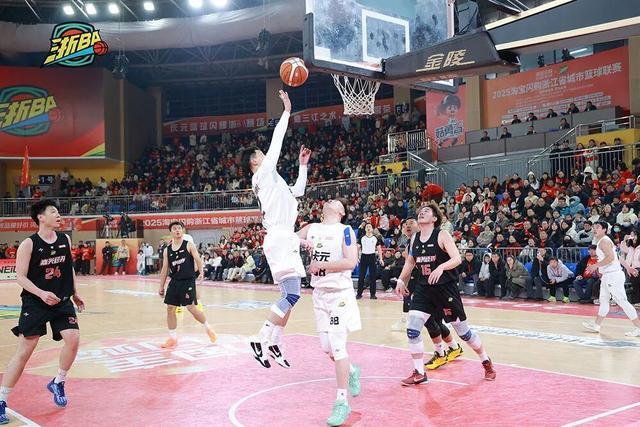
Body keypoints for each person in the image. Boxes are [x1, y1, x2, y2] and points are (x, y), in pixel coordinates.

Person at [240, 90, 311, 369]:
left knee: (290, 296)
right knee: (292, 295)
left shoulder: (274, 181)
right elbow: (277, 142)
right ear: (254, 162)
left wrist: (302, 166)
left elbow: (299, 191)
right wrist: (286, 111)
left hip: (283, 237)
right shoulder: (262, 174)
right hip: (280, 237)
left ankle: (274, 342)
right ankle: (260, 339)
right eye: (260, 154)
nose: (265, 154)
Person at [0, 200, 85, 424]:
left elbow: (68, 268)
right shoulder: (29, 244)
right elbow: (20, 277)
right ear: (41, 217)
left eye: (58, 212)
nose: (58, 215)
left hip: (61, 300)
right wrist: (40, 293)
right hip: (35, 303)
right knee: (24, 352)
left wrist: (75, 293)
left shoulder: (65, 239)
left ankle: (58, 382)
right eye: (53, 212)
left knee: (73, 338)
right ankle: (1, 400)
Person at [395, 202, 496, 385]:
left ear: (434, 218)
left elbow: (457, 258)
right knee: (412, 329)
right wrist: (402, 280)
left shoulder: (442, 235)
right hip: (424, 288)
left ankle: (485, 361)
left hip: (445, 288)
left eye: (426, 211)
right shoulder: (415, 238)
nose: (422, 213)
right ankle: (419, 372)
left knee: (464, 333)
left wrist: (441, 267)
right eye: (420, 211)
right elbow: (410, 262)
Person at [297, 199, 362, 427]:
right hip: (319, 294)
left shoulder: (345, 230)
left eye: (336, 202)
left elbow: (351, 261)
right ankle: (352, 370)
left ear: (341, 211)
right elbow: (290, 238)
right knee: (327, 347)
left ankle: (342, 402)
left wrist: (322, 266)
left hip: (339, 295)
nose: (330, 201)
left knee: (337, 346)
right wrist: (299, 241)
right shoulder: (312, 227)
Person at [157, 221, 217, 348]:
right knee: (170, 308)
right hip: (174, 281)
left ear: (182, 230)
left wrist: (201, 273)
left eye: (179, 228)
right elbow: (165, 268)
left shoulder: (189, 245)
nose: (177, 230)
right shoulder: (167, 250)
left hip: (188, 281)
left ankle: (208, 328)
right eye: (174, 228)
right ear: (171, 232)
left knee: (191, 308)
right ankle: (173, 338)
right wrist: (161, 286)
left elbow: (198, 259)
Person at [582, 221, 640, 336]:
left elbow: (610, 258)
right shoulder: (605, 241)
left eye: (597, 227)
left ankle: (638, 327)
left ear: (604, 229)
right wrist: (628, 267)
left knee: (622, 301)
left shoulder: (604, 241)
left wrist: (595, 266)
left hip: (612, 275)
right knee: (603, 300)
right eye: (594, 227)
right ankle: (596, 325)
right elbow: (617, 257)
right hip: (608, 275)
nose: (594, 229)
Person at [356, 224, 383, 300]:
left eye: (370, 227)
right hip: (364, 257)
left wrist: (381, 258)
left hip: (372, 257)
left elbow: (379, 249)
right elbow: (357, 248)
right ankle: (359, 294)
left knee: (373, 276)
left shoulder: (375, 238)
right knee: (361, 276)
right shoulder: (362, 237)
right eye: (367, 227)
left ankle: (373, 294)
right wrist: (357, 257)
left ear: (372, 229)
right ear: (365, 229)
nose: (368, 228)